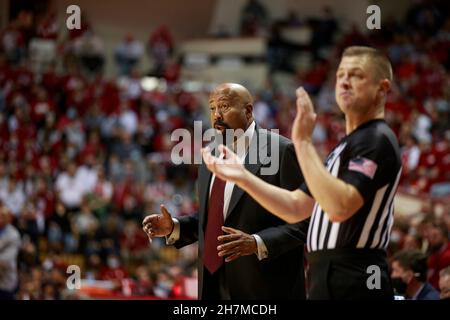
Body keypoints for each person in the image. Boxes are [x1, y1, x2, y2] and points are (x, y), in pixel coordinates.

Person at [202, 46, 402, 300]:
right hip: (325, 272)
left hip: (357, 272)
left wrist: (303, 142)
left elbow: (340, 206)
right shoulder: (345, 145)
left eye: (357, 75)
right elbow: (296, 207)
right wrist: (242, 177)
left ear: (382, 88)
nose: (344, 82)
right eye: (340, 75)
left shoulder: (376, 138)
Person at [143, 83, 310, 299]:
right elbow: (213, 219)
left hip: (264, 287)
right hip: (212, 284)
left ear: (248, 111)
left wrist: (258, 242)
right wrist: (174, 227)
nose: (216, 115)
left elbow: (305, 220)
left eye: (224, 106)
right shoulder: (210, 155)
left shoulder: (281, 150)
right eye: (212, 108)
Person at [0, 204, 21, 300]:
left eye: (3, 216)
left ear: (9, 218)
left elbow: (5, 261)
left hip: (6, 281)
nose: (1, 218)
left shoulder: (14, 235)